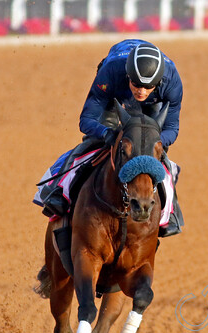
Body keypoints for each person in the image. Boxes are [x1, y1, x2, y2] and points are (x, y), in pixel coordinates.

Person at [39, 39, 184, 238]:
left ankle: (171, 212)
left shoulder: (172, 83)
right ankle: (59, 191)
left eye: (147, 86)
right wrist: (108, 134)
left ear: (159, 82)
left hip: (151, 107)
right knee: (93, 144)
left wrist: (154, 142)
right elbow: (87, 120)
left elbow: (172, 129)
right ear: (128, 76)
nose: (140, 91)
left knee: (159, 156)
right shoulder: (111, 73)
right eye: (135, 84)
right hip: (114, 94)